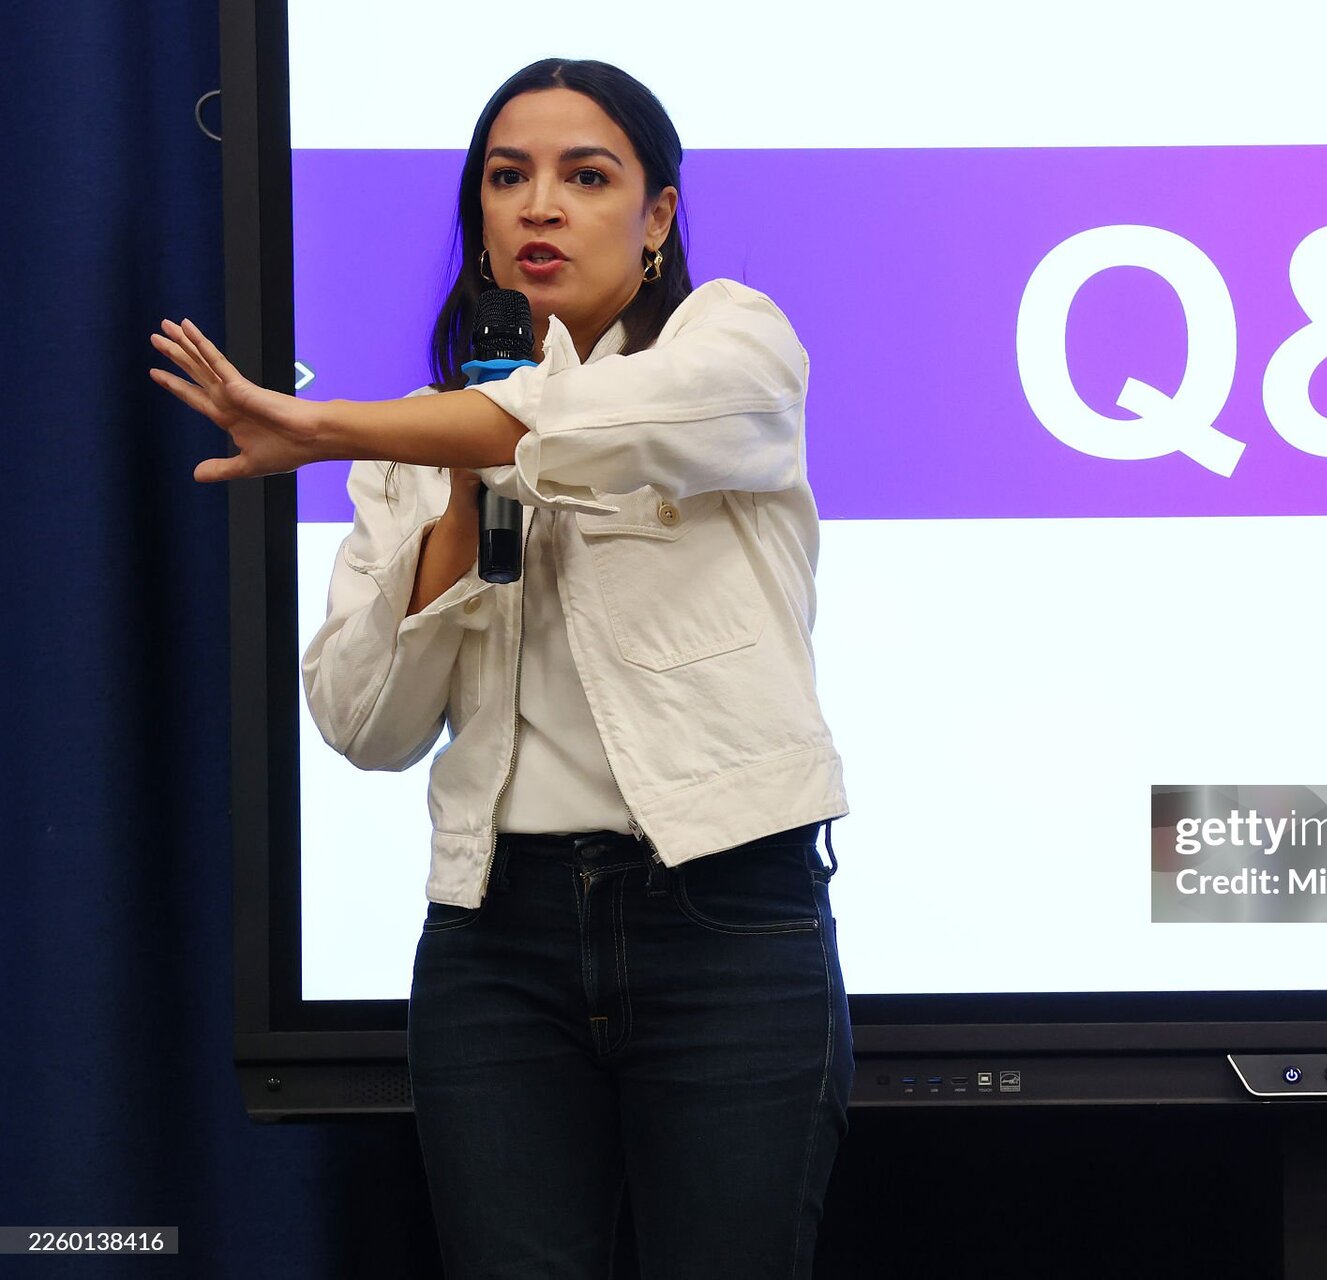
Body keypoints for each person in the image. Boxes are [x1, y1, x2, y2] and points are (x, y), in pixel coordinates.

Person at [151, 58, 853, 1280]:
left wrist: (319, 423)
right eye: (507, 176)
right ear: (479, 213)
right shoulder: (410, 452)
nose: (540, 205)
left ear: (657, 215)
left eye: (587, 177)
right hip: (495, 938)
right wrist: (453, 489)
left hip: (724, 916)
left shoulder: (734, 339)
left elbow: (581, 422)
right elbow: (364, 724)